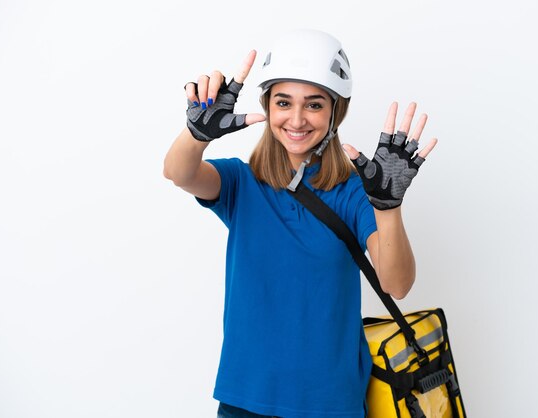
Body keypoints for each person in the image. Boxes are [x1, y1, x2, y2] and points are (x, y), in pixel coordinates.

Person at [163, 29, 437, 418]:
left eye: (313, 105)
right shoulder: (242, 183)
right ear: (268, 107)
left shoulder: (354, 193)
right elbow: (179, 172)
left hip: (329, 404)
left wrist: (388, 206)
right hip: (245, 399)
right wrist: (196, 136)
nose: (296, 119)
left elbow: (397, 284)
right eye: (283, 102)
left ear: (334, 111)